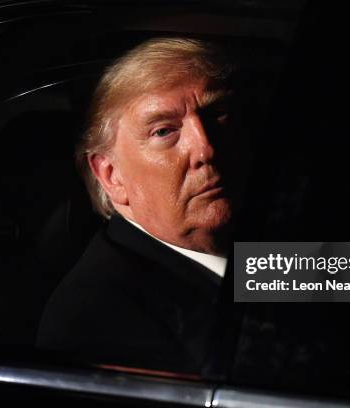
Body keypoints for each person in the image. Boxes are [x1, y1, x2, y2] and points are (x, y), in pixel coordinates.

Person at [37, 37, 243, 372]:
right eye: (164, 131)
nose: (206, 149)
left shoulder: (247, 252)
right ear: (111, 175)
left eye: (218, 113)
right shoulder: (97, 317)